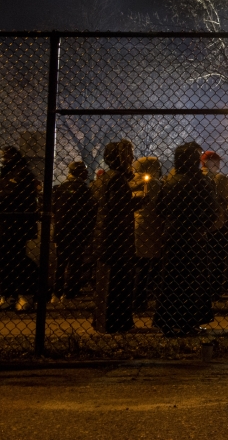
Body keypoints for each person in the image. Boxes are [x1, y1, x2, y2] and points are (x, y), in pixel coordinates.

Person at [153, 142, 220, 337]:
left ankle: (166, 320)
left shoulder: (170, 181)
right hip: (194, 236)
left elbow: (160, 209)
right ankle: (188, 321)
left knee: (171, 279)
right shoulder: (201, 182)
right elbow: (212, 211)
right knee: (193, 279)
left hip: (173, 234)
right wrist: (202, 223)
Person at [0, 146, 39, 312]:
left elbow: (12, 196)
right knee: (5, 262)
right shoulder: (6, 175)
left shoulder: (22, 174)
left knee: (17, 260)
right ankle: (9, 296)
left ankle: (23, 295)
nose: (3, 159)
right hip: (4, 224)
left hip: (16, 224)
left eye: (6, 156)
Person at [92, 140, 137, 333]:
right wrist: (139, 202)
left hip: (104, 235)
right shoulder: (117, 179)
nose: (132, 158)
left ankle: (104, 321)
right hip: (117, 238)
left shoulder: (105, 178)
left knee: (106, 280)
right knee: (119, 281)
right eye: (128, 155)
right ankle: (117, 322)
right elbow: (119, 209)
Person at [51, 161, 96, 303]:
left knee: (61, 263)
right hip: (78, 231)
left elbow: (54, 209)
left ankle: (56, 293)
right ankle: (70, 292)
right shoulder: (84, 190)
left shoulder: (60, 188)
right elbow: (90, 211)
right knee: (75, 262)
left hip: (62, 231)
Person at [201, 150, 228, 299]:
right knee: (217, 258)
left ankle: (202, 288)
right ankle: (215, 289)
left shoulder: (195, 177)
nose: (218, 163)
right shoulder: (219, 179)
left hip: (198, 224)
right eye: (215, 160)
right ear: (208, 162)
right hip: (217, 223)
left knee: (202, 258)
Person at [132, 156, 164, 311]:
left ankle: (133, 298)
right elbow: (161, 204)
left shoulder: (130, 182)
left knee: (136, 264)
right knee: (146, 266)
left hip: (132, 225)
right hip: (151, 225)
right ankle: (141, 299)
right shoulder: (154, 184)